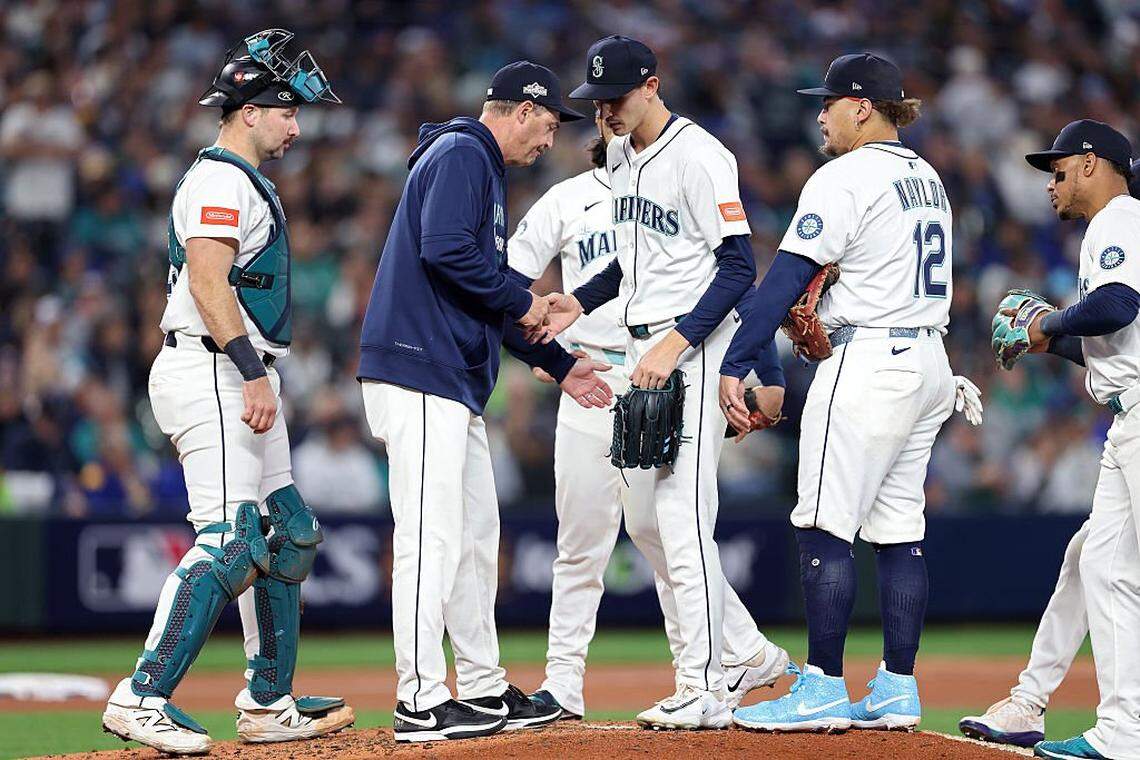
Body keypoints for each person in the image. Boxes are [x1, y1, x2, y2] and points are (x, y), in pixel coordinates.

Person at [101, 30, 354, 754]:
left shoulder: (240, 179)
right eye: (286, 111)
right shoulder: (218, 179)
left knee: (289, 533)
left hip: (237, 370)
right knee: (230, 542)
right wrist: (248, 369)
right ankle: (141, 696)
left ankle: (269, 703)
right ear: (250, 111)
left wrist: (255, 371)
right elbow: (210, 281)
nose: (296, 125)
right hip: (213, 368)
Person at [357, 61, 614, 743]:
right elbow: (446, 253)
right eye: (550, 125)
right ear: (524, 111)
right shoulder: (464, 151)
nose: (549, 141)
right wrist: (526, 300)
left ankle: (479, 687)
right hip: (417, 371)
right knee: (430, 536)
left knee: (474, 538)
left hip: (447, 379)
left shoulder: (478, 168)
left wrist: (558, 364)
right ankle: (417, 698)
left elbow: (483, 290)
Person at [509, 110, 789, 722]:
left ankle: (707, 671)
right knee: (585, 543)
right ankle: (566, 685)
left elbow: (732, 275)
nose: (613, 134)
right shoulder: (570, 198)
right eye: (605, 129)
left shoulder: (680, 174)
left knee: (662, 525)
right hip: (596, 374)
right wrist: (542, 349)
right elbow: (508, 279)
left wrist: (759, 367)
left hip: (665, 363)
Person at [720, 53, 968, 733]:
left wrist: (740, 358)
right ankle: (896, 687)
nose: (820, 114)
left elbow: (783, 280)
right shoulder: (927, 177)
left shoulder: (845, 175)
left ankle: (823, 685)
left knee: (824, 523)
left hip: (867, 361)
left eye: (829, 102)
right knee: (899, 531)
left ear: (863, 106)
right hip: (928, 362)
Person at [958, 157, 1140, 752]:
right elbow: (1110, 350)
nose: (1050, 184)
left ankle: (1118, 729)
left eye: (1059, 172)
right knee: (1089, 559)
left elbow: (1116, 306)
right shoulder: (1110, 228)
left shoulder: (1119, 219)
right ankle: (1030, 704)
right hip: (1127, 414)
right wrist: (1049, 340)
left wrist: (1048, 320)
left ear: (1092, 165)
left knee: (1105, 567)